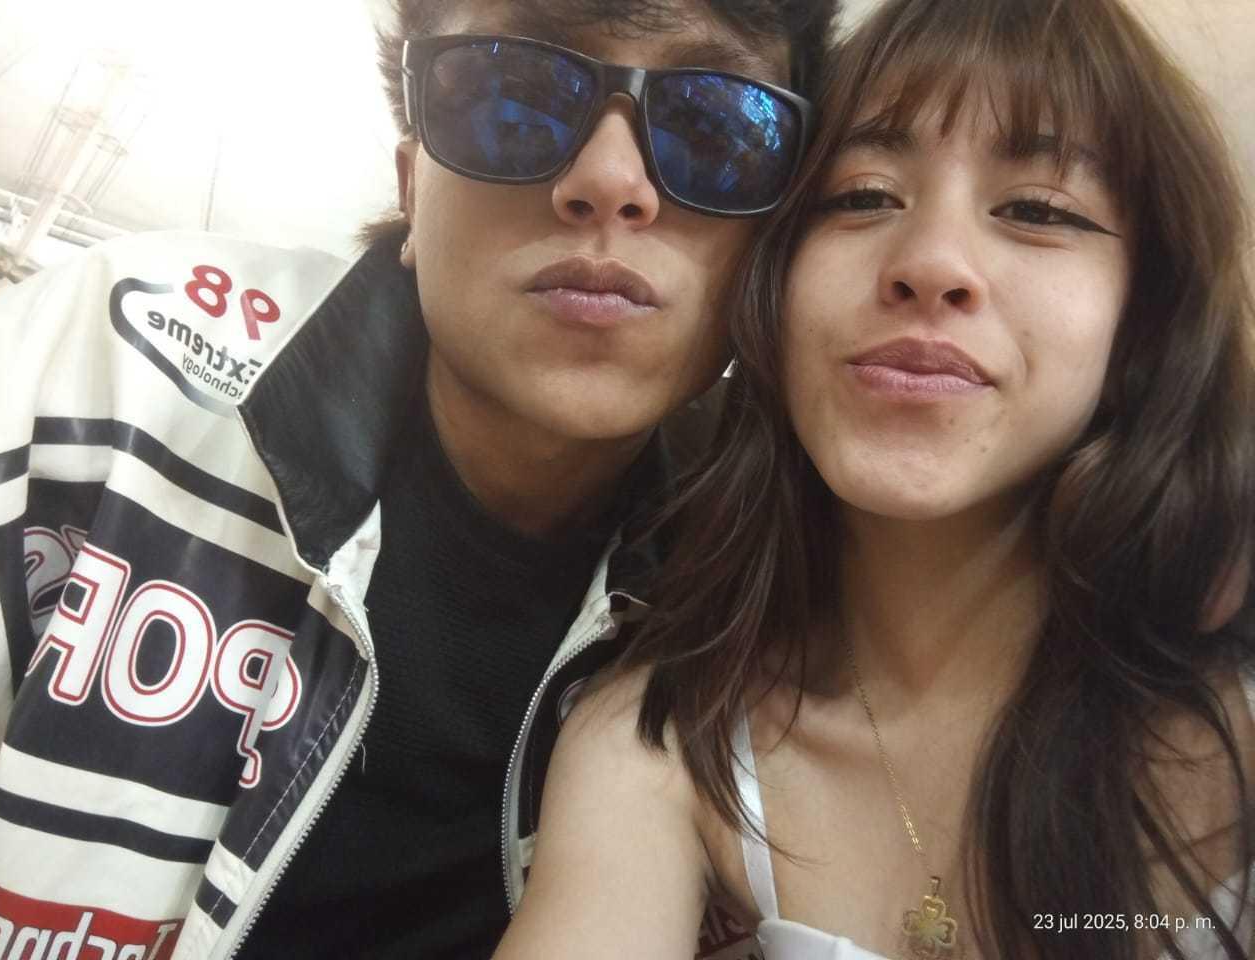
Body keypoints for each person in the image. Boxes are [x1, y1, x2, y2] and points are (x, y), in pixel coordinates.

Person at [0, 2, 834, 957]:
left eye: (716, 128)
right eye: (513, 97)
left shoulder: (783, 598)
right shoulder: (108, 368)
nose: (608, 181)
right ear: (412, 185)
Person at [491, 0, 1255, 957]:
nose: (929, 264)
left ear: (1145, 319)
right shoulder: (653, 746)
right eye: (861, 197)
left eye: (1037, 210)